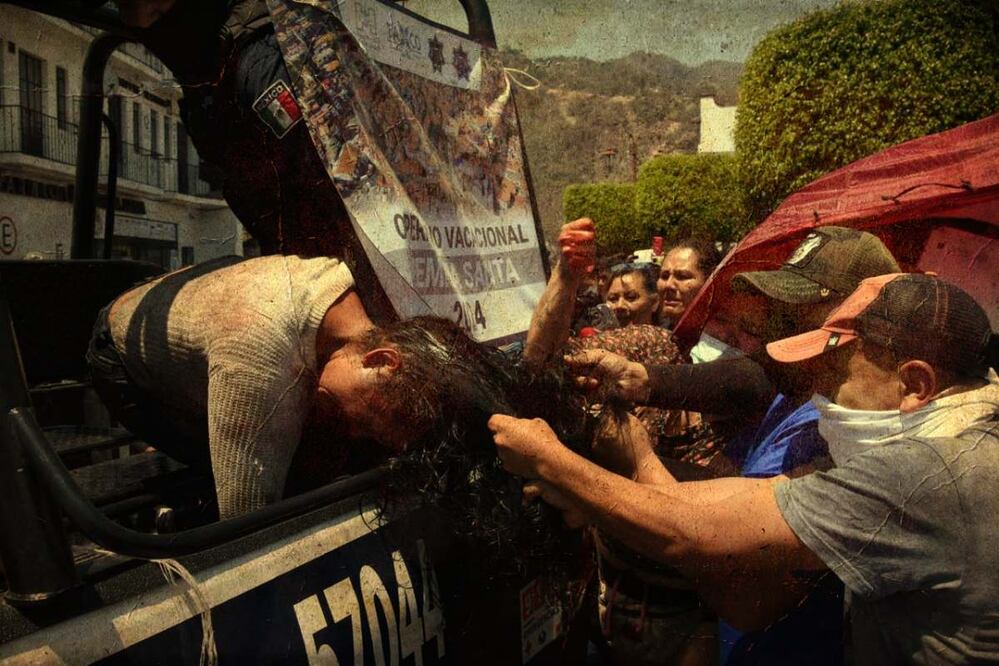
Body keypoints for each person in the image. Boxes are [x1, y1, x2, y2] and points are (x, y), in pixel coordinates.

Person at [491, 273, 999, 665]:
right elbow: (746, 507)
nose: (826, 389)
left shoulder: (926, 472)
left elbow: (697, 533)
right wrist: (595, 479)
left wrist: (554, 461)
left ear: (915, 384)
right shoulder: (964, 437)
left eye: (841, 370)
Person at [566, 226, 903, 663]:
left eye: (798, 312)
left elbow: (730, 571)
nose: (777, 327)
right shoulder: (803, 387)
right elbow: (749, 386)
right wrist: (641, 380)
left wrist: (622, 459)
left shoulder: (849, 435)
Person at [87, 255, 490, 518]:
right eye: (367, 419)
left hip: (213, 303)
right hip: (120, 356)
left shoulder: (348, 301)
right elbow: (244, 522)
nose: (355, 430)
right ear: (380, 360)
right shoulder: (259, 368)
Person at [110, 0, 394, 319]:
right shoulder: (203, 86)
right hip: (296, 273)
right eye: (138, 23)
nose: (155, 34)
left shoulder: (257, 63)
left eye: (159, 15)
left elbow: (327, 184)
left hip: (345, 272)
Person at [656, 238, 721, 329]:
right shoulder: (655, 339)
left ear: (710, 282)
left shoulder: (725, 340)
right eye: (664, 276)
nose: (668, 285)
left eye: (682, 276)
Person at [605, 262, 662, 327]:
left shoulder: (669, 337)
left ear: (654, 302)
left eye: (630, 297)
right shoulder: (595, 336)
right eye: (612, 299)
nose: (619, 305)